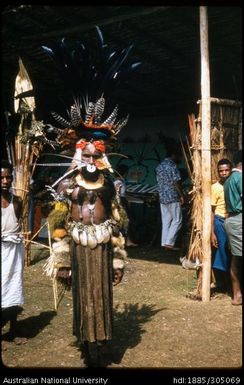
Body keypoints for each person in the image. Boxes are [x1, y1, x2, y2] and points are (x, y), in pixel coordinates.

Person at [1, 160, 25, 340]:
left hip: (14, 252)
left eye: (8, 177)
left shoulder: (17, 201)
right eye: (1, 177)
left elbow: (16, 226)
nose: (5, 181)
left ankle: (14, 329)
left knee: (14, 287)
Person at [155, 147, 184, 250]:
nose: (179, 158)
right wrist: (181, 195)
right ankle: (170, 243)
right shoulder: (172, 166)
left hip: (162, 197)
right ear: (173, 155)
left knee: (166, 220)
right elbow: (176, 182)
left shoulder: (159, 166)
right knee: (177, 220)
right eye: (178, 156)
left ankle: (164, 242)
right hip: (172, 196)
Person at [224, 150, 242, 305]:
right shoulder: (240, 178)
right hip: (239, 220)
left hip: (232, 220)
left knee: (237, 259)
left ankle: (237, 295)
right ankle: (237, 295)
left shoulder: (229, 180)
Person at [211, 158, 232, 291]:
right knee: (222, 250)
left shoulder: (235, 184)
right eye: (221, 171)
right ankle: (223, 281)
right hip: (220, 221)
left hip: (234, 221)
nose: (224, 173)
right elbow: (211, 211)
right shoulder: (215, 188)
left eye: (226, 170)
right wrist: (212, 232)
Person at [114, 163, 138, 247]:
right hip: (121, 202)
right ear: (124, 173)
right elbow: (117, 192)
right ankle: (127, 241)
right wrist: (120, 204)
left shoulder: (118, 180)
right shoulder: (119, 181)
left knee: (124, 222)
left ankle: (126, 240)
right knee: (126, 221)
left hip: (121, 201)